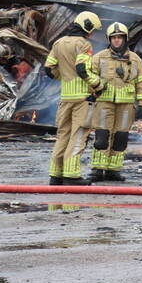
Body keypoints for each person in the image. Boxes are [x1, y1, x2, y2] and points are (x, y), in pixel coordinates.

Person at [44, 11, 104, 185]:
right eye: (93, 30)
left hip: (65, 98)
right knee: (78, 135)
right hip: (82, 99)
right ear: (88, 27)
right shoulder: (84, 44)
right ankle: (71, 175)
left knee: (63, 135)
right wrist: (98, 85)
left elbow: (49, 69)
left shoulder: (59, 43)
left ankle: (55, 175)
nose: (92, 34)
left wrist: (64, 77)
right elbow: (82, 69)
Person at [89, 22, 142, 183]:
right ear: (109, 39)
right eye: (113, 37)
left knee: (120, 138)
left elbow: (141, 82)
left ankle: (113, 171)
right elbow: (89, 77)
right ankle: (97, 169)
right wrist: (92, 92)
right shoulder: (99, 57)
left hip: (126, 105)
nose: (116, 40)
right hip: (104, 103)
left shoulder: (135, 59)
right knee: (102, 136)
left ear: (125, 39)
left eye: (119, 37)